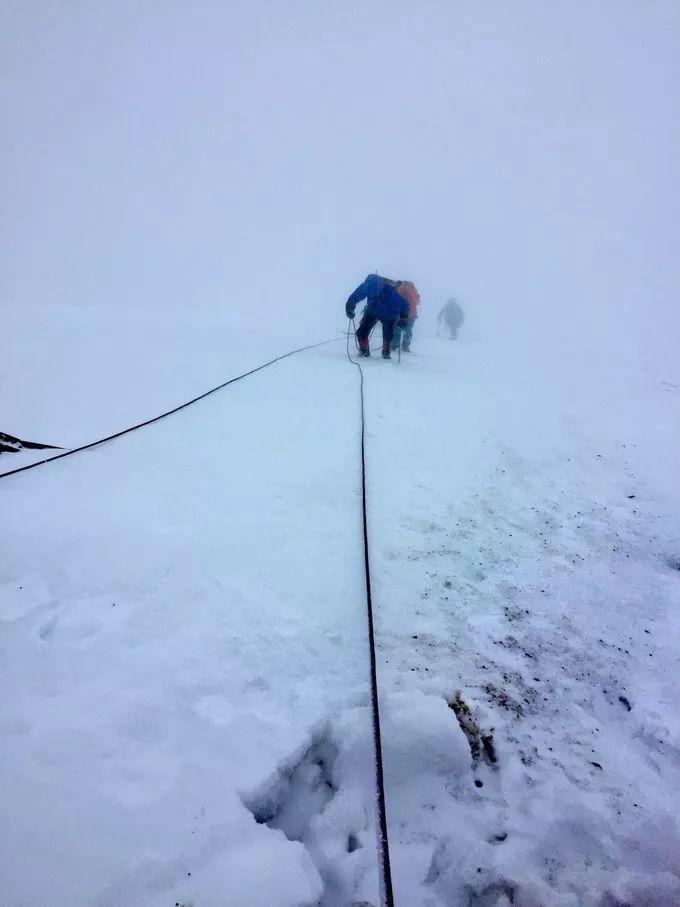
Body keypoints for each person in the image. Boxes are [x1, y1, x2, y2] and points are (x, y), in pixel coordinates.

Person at [345, 274, 409, 359]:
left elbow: (404, 303)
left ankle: (386, 352)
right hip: (373, 310)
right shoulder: (368, 285)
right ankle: (364, 350)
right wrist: (350, 306)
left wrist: (403, 317)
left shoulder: (390, 292)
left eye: (375, 295)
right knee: (362, 331)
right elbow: (356, 295)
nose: (373, 296)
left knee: (388, 333)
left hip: (388, 314)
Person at [391, 280, 420, 352]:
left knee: (397, 328)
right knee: (408, 330)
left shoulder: (402, 287)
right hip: (413, 314)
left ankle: (394, 345)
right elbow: (417, 302)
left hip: (404, 313)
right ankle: (405, 345)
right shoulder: (414, 290)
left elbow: (397, 299)